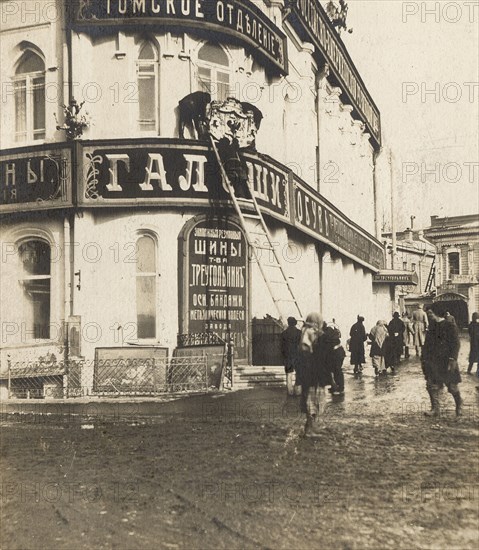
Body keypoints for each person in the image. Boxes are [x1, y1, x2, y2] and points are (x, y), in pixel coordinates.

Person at [422, 306, 462, 417]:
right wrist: (424, 359)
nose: (429, 315)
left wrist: (452, 358)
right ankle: (435, 409)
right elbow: (426, 345)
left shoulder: (450, 326)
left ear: (437, 313)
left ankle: (459, 406)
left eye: (430, 313)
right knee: (432, 386)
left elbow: (456, 344)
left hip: (447, 362)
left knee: (452, 387)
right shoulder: (432, 327)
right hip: (433, 362)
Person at [297, 312, 329, 437]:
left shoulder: (308, 331)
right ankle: (309, 429)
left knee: (314, 399)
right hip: (311, 372)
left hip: (311, 372)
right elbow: (307, 352)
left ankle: (312, 427)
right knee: (312, 400)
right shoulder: (309, 332)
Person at [281, 317, 301, 396]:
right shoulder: (299, 333)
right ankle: (298, 391)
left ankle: (290, 391)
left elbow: (282, 347)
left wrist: (284, 356)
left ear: (288, 323)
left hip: (288, 357)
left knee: (289, 374)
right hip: (297, 357)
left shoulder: (284, 333)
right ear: (295, 323)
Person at [324, 323, 346, 395]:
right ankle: (336, 386)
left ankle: (340, 387)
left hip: (336, 353)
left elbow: (327, 346)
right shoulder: (330, 330)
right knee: (334, 370)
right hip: (338, 352)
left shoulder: (326, 334)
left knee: (336, 370)